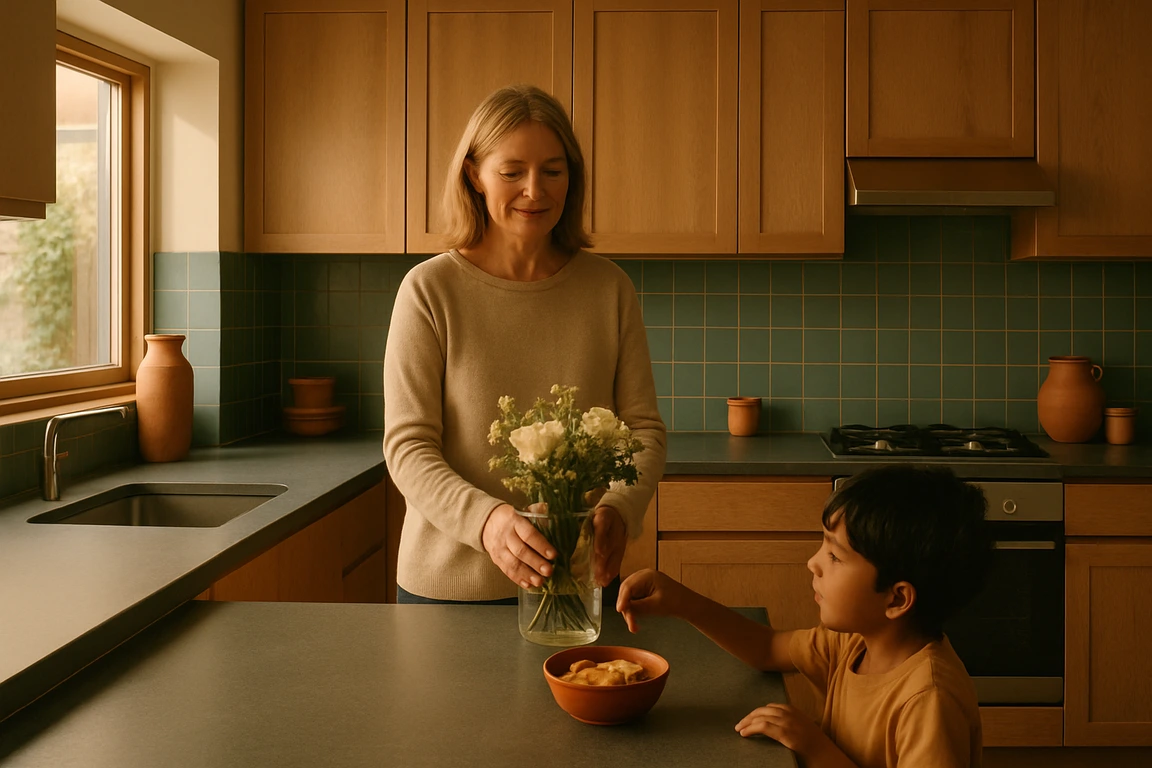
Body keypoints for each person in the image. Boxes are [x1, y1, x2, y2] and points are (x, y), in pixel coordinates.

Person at [383, 84, 666, 604]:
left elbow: (642, 429)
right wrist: (487, 521)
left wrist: (620, 509)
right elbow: (408, 448)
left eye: (553, 171)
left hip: (574, 585)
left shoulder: (609, 288)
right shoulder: (428, 291)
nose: (535, 190)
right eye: (512, 172)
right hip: (449, 591)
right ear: (474, 174)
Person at [617, 465, 994, 768]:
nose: (812, 562)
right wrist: (682, 601)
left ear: (897, 599)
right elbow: (767, 648)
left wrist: (815, 749)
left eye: (834, 555)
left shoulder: (928, 701)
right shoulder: (857, 641)